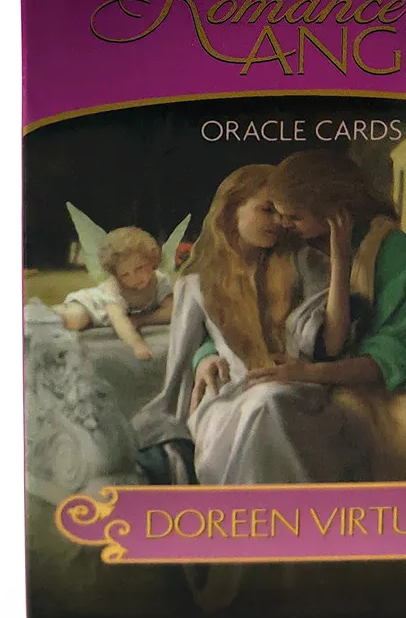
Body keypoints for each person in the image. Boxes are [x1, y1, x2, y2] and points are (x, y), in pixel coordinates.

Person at [131, 164, 369, 487]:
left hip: (301, 397)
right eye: (267, 210)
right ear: (231, 211)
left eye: (282, 213)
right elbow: (181, 363)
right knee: (261, 403)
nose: (279, 222)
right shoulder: (196, 283)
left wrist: (340, 262)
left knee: (269, 400)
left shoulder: (305, 264)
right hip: (228, 401)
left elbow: (333, 343)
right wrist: (204, 357)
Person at [242, 150, 406, 481]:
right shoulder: (286, 247)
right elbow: (224, 298)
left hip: (366, 379)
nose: (283, 223)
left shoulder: (392, 250)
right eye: (279, 214)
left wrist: (313, 372)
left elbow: (391, 350)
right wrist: (205, 353)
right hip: (301, 375)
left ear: (333, 210)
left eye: (294, 216)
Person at [53, 227, 173, 360]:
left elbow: (171, 311)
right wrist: (137, 344)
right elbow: (118, 319)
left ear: (151, 261)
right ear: (116, 275)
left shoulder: (160, 281)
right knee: (76, 318)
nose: (134, 278)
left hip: (111, 318)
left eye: (139, 268)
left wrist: (140, 319)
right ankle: (41, 315)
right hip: (92, 306)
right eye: (125, 274)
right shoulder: (114, 287)